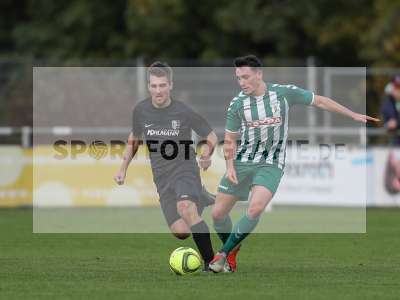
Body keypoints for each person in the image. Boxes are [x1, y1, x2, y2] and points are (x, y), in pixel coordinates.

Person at [209, 55, 380, 273]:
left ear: (259, 74)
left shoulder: (282, 93)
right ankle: (232, 247)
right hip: (242, 162)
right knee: (217, 215)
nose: (242, 82)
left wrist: (353, 114)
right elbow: (230, 140)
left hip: (271, 163)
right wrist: (230, 167)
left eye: (246, 77)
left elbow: (319, 100)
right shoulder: (237, 104)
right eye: (238, 78)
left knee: (255, 208)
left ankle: (222, 255)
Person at [113, 62, 218, 270]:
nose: (158, 90)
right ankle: (202, 198)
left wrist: (206, 153)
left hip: (185, 169)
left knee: (186, 208)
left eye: (162, 85)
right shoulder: (141, 110)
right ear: (148, 86)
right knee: (181, 231)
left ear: (171, 85)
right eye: (153, 86)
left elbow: (211, 135)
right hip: (161, 177)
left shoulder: (183, 111)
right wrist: (123, 168)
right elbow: (134, 138)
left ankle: (211, 262)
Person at [382, 75, 400, 145]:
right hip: (395, 140)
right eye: (396, 87)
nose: (397, 90)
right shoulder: (389, 102)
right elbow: (387, 120)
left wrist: (397, 122)